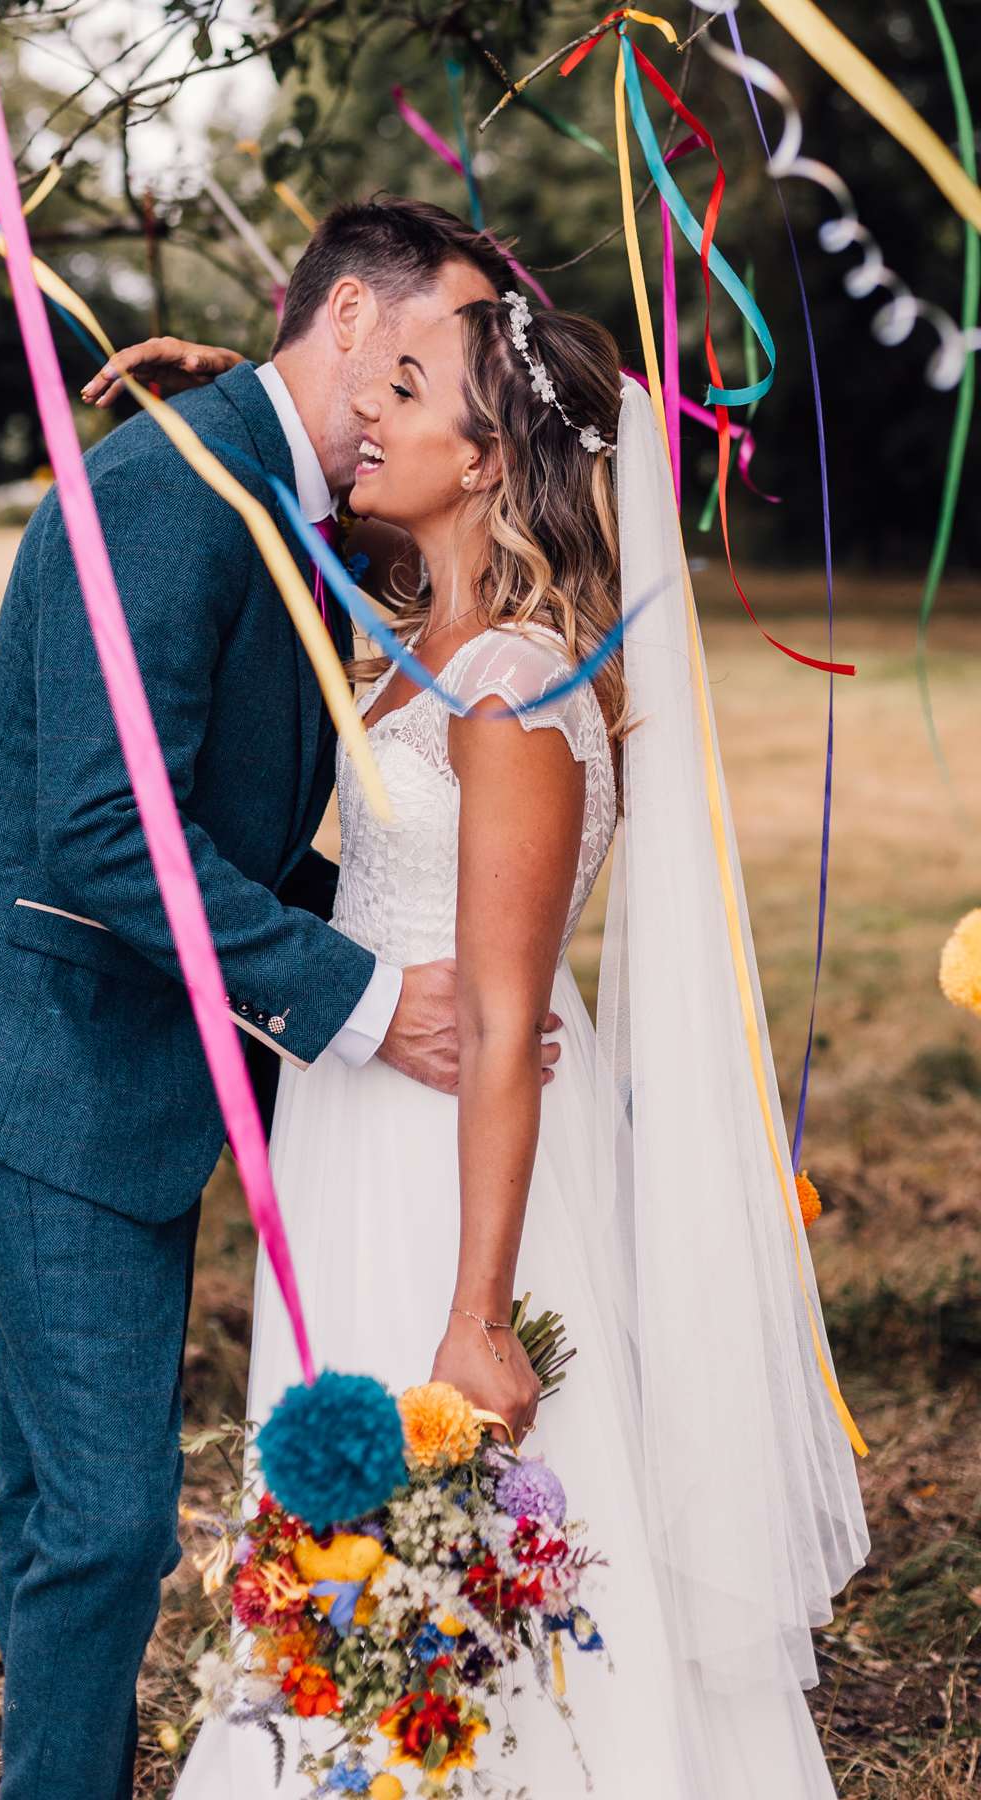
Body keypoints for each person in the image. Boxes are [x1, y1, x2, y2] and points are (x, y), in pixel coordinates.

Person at [0, 198, 568, 1800]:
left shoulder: (283, 491)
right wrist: (364, 998)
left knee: (63, 1502)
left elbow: (221, 825)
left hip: (113, 1045)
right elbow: (111, 830)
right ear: (358, 321)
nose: (444, 383)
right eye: (439, 345)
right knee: (112, 1520)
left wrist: (392, 939)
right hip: (42, 1047)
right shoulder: (174, 491)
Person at [115, 298, 870, 1798]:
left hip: (456, 1148)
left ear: (482, 460)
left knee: (459, 1506)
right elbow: (299, 498)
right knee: (360, 1516)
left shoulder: (515, 687)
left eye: (404, 389)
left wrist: (479, 1314)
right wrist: (232, 387)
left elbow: (512, 1023)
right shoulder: (422, 637)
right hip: (364, 1112)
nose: (367, 412)